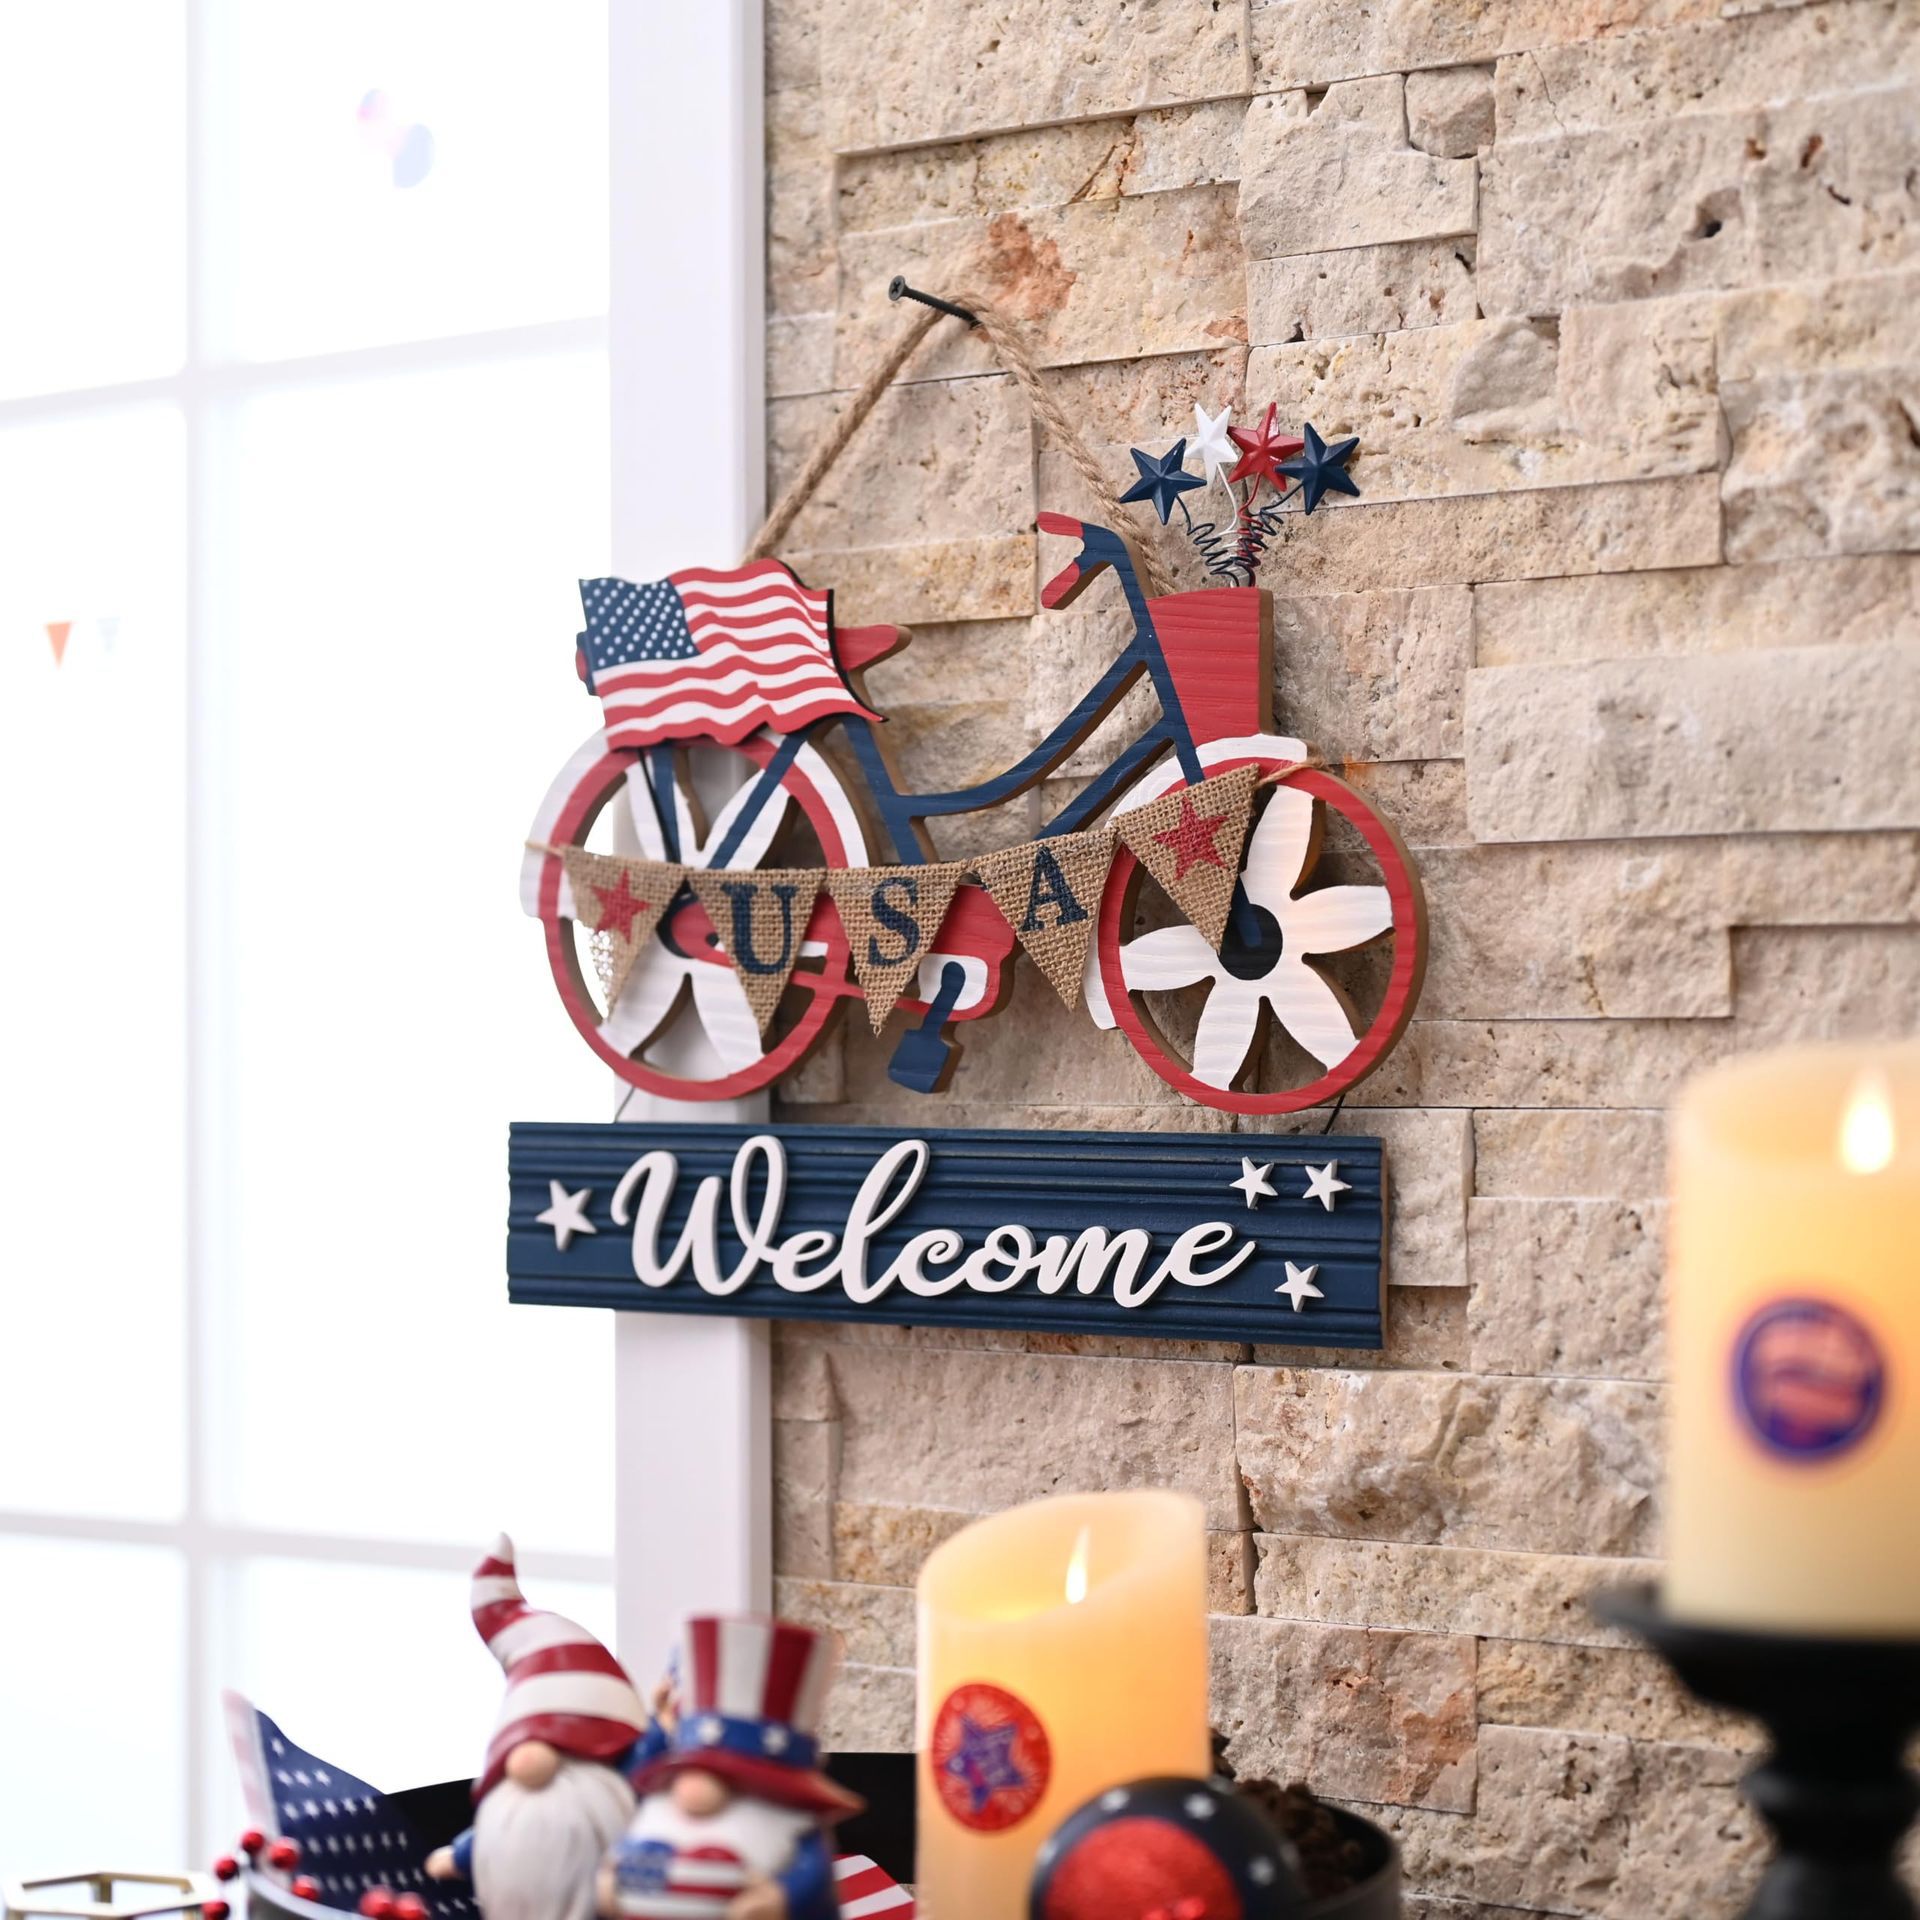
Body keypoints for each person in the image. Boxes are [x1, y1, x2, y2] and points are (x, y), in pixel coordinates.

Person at [426, 1536, 649, 1920]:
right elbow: (485, 1843)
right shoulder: (507, 1824)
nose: (531, 1763)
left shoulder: (621, 1815)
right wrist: (457, 1857)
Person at [600, 1617, 863, 1920]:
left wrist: (782, 1897)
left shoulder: (788, 1826)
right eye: (687, 1770)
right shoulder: (655, 1811)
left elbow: (813, 1880)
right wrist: (608, 1884)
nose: (693, 1789)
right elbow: (627, 1781)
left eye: (728, 1778)